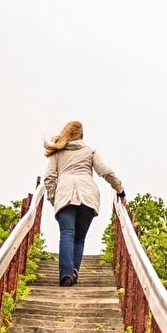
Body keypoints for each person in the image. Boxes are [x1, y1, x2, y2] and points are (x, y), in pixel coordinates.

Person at [43, 119, 125, 287]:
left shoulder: (57, 153)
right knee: (79, 238)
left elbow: (49, 178)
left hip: (65, 194)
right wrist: (120, 189)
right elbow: (106, 171)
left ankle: (66, 274)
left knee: (67, 233)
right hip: (88, 195)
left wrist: (53, 198)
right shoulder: (90, 151)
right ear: (81, 134)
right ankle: (74, 270)